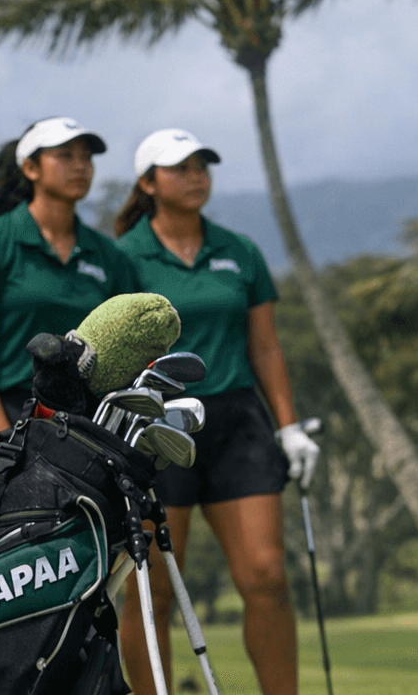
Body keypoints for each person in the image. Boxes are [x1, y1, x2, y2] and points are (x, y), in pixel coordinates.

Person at [112, 128, 319, 695]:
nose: (197, 175)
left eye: (203, 164)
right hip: (156, 423)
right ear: (148, 182)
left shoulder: (238, 251)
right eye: (180, 167)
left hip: (237, 425)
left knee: (266, 577)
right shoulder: (124, 257)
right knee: (151, 589)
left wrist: (289, 425)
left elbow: (266, 348)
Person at [0, 116, 137, 504]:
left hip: (80, 421)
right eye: (65, 156)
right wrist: (3, 439)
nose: (81, 166)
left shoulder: (109, 256)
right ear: (30, 168)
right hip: (0, 410)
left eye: (87, 157)